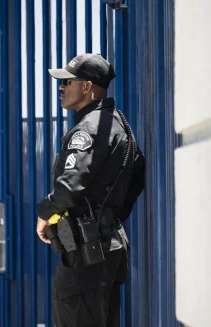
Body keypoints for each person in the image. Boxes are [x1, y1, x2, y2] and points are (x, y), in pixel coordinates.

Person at [35, 53, 145, 327]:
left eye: (67, 82)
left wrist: (44, 212)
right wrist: (107, 216)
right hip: (108, 247)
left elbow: (69, 186)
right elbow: (137, 176)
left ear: (87, 87)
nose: (61, 88)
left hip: (86, 253)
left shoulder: (88, 129)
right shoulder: (118, 124)